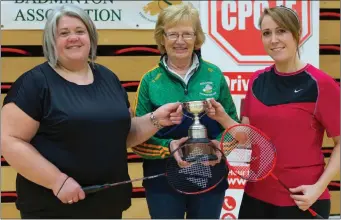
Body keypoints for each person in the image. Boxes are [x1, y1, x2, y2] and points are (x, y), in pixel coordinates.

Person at [1, 4, 183, 219]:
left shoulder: (108, 78)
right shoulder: (34, 83)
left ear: (91, 37)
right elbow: (9, 140)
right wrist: (57, 181)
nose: (73, 38)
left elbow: (121, 135)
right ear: (51, 41)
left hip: (107, 205)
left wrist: (156, 119)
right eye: (64, 33)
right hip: (52, 206)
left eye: (80, 31)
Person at [208, 6, 340, 219]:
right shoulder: (257, 80)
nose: (273, 39)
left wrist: (318, 188)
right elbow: (246, 137)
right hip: (255, 198)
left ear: (296, 34)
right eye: (267, 33)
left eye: (281, 31)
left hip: (302, 199)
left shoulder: (321, 84)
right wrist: (222, 117)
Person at [131, 3, 239, 219]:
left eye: (187, 34)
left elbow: (233, 126)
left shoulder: (214, 74)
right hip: (162, 179)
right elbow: (137, 139)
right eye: (173, 34)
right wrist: (168, 147)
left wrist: (220, 147)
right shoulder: (150, 81)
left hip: (210, 175)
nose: (180, 41)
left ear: (196, 37)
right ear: (162, 38)